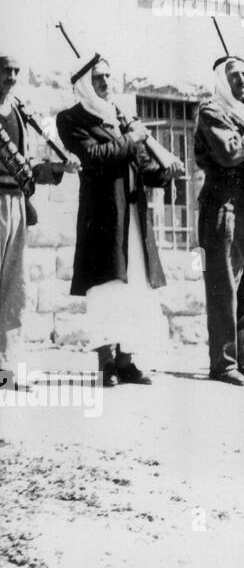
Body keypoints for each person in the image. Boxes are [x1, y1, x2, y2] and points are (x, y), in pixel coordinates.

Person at [58, 55, 182, 386]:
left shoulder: (121, 117)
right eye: (98, 78)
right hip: (102, 219)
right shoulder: (72, 119)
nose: (106, 83)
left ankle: (126, 361)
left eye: (109, 77)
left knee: (135, 290)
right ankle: (106, 363)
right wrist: (133, 138)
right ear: (85, 83)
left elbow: (143, 166)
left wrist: (165, 173)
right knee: (104, 290)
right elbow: (93, 157)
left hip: (133, 218)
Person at [195, 55, 244, 386]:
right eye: (234, 76)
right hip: (223, 207)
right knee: (224, 288)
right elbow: (231, 151)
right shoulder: (212, 111)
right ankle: (224, 364)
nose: (241, 80)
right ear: (222, 81)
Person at [0, 54, 68, 385]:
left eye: (15, 72)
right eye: (5, 71)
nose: (10, 77)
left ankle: (8, 365)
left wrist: (58, 169)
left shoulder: (18, 113)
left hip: (15, 203)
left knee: (15, 287)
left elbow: (26, 165)